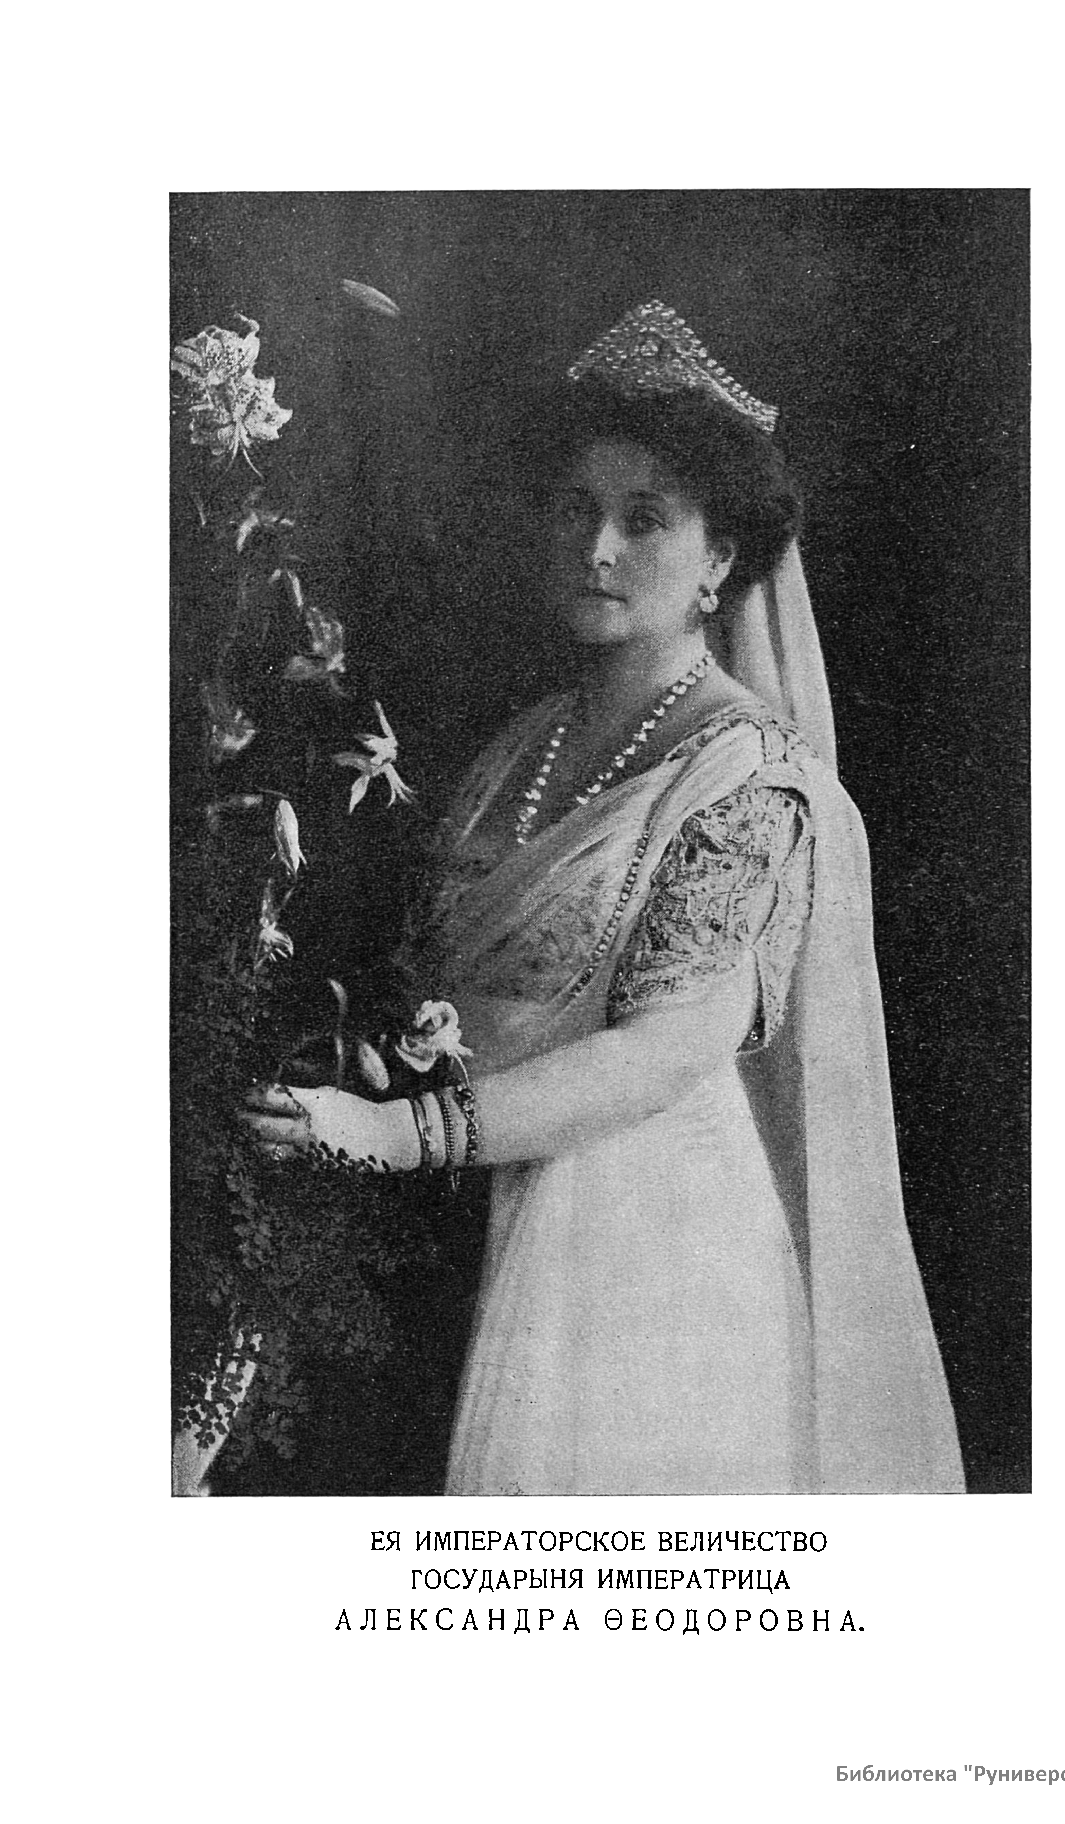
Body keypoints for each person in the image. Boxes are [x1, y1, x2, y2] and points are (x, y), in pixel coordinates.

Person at [245, 300, 965, 1495]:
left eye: (644, 520)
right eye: (577, 511)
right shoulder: (520, 748)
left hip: (649, 1245)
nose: (597, 549)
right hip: (483, 1204)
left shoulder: (750, 776)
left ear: (721, 560)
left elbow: (669, 1046)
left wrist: (396, 1133)